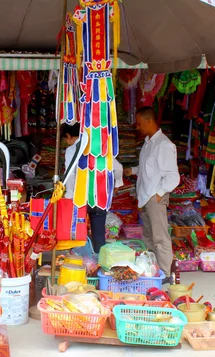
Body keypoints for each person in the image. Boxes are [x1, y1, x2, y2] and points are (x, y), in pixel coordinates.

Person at [124, 107, 180, 280]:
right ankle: (154, 271)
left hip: (154, 197)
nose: (138, 127)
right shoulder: (148, 143)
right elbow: (148, 169)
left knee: (160, 237)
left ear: (149, 121)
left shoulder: (164, 145)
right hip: (145, 197)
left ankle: (166, 274)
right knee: (148, 237)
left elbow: (173, 176)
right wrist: (132, 170)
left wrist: (159, 193)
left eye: (140, 123)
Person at [62, 124, 123, 253]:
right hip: (99, 196)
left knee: (77, 234)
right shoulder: (100, 148)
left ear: (68, 136)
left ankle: (79, 264)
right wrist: (117, 184)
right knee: (99, 236)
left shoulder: (72, 150)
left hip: (79, 198)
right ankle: (98, 265)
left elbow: (70, 173)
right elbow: (118, 168)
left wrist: (70, 195)